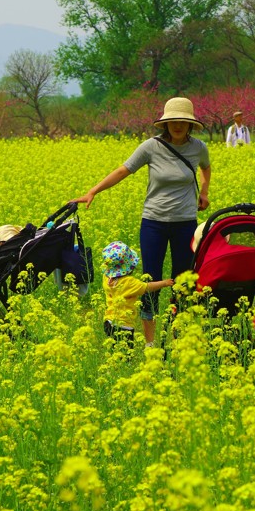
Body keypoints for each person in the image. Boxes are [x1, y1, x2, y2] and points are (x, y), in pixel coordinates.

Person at [72, 97, 211, 346]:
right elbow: (123, 170)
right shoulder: (151, 146)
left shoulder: (198, 147)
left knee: (183, 279)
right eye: (172, 121)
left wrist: (204, 192)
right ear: (165, 124)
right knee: (150, 279)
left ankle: (177, 337)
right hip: (154, 222)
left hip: (185, 222)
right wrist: (93, 191)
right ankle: (150, 343)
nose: (177, 126)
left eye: (182, 121)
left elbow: (206, 167)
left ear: (190, 124)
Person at [101, 241, 174, 348]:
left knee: (114, 349)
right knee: (125, 354)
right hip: (124, 325)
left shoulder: (106, 278)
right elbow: (147, 287)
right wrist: (164, 283)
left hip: (108, 321)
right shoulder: (129, 282)